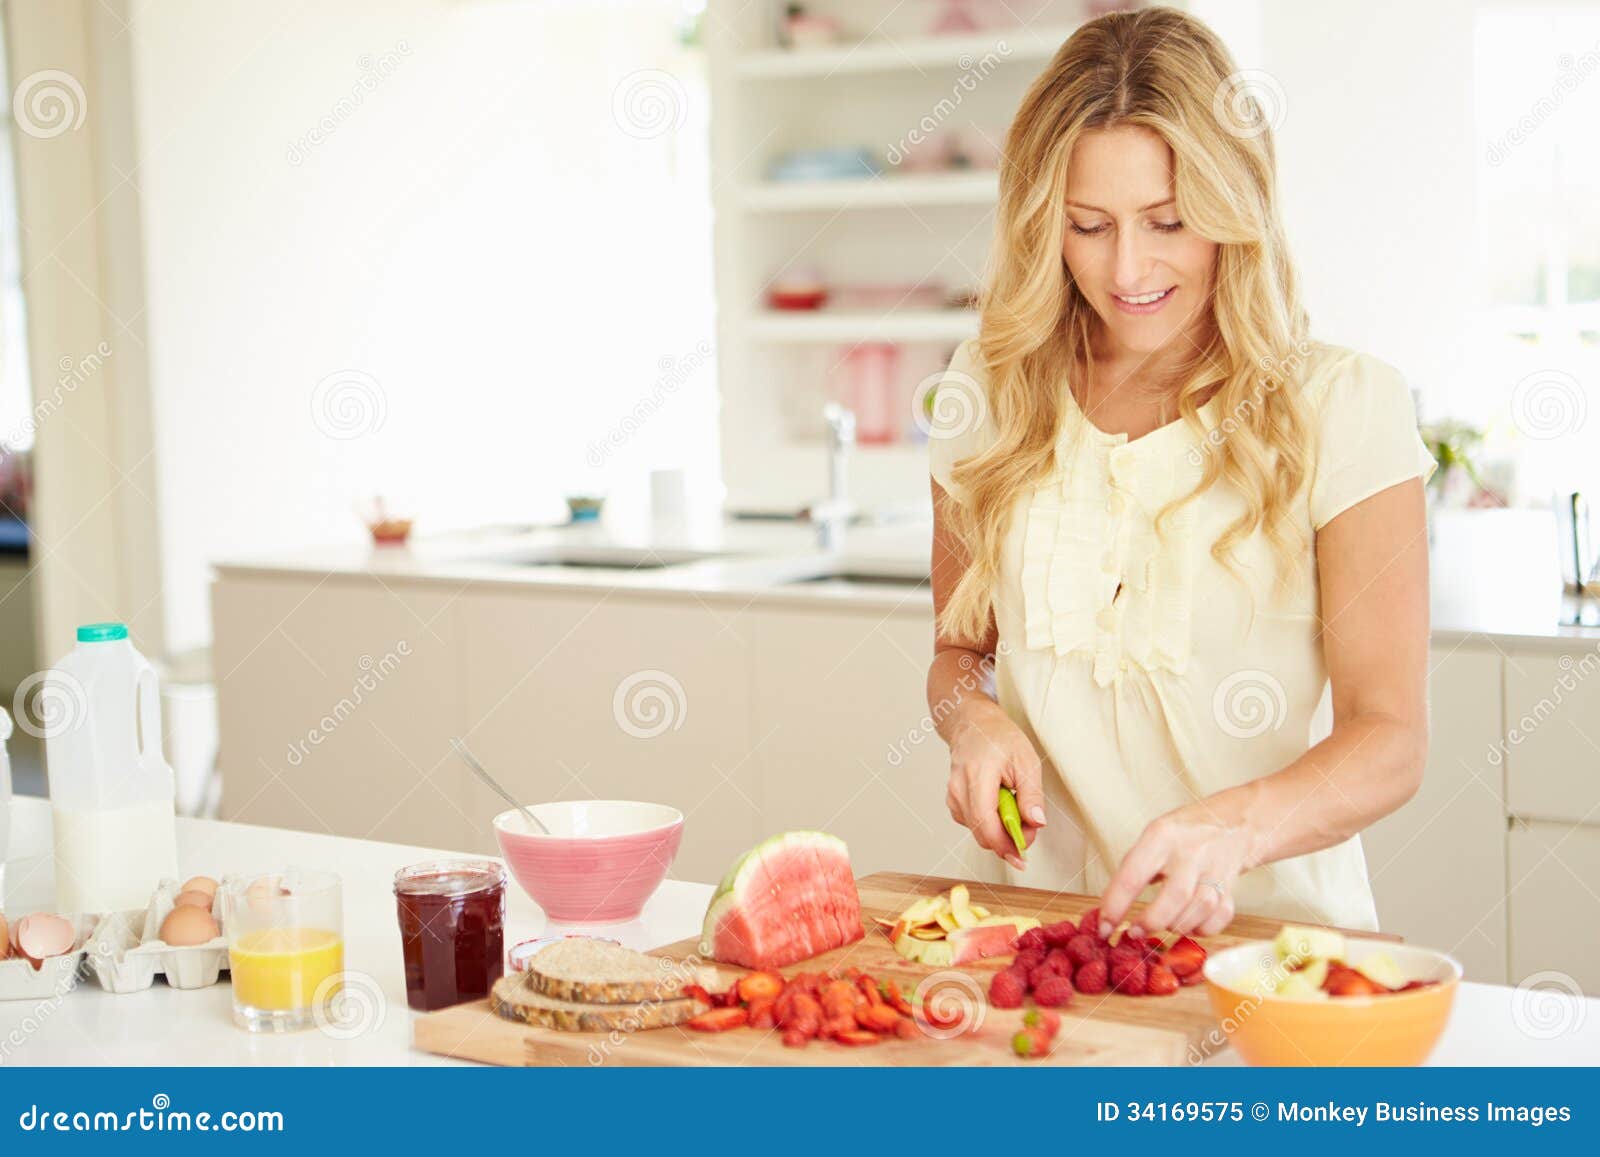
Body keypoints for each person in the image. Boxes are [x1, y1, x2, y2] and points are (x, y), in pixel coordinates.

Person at [927, 6, 1435, 937]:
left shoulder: (1344, 405)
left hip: (1268, 951)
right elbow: (961, 656)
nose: (1128, 268)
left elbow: (1390, 737)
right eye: (1089, 226)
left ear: (1233, 207)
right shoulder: (987, 394)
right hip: (1038, 936)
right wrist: (975, 724)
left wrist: (1231, 827)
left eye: (1169, 220)